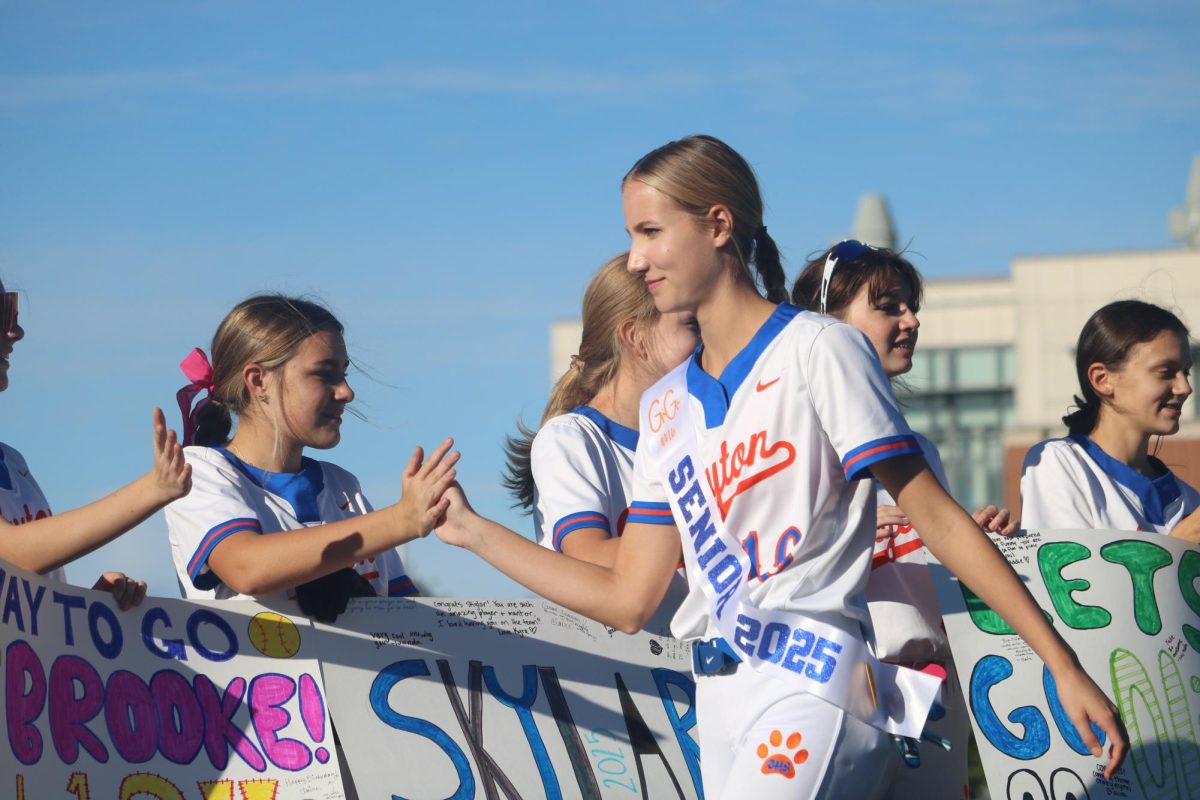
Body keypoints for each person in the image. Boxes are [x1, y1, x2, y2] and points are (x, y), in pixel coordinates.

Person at [436, 135, 1126, 799]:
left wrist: (1060, 663)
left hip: (817, 687)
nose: (636, 259)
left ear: (717, 224)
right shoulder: (666, 408)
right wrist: (472, 532)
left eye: (649, 232)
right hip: (721, 705)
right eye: (631, 237)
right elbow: (626, 598)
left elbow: (938, 521)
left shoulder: (819, 349)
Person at [792, 241, 1016, 798]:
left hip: (931, 692)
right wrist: (852, 543)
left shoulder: (917, 448)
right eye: (889, 305)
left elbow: (928, 564)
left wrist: (971, 548)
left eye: (911, 305)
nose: (911, 320)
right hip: (835, 685)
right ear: (826, 323)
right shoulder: (791, 440)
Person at [166, 294, 458, 620]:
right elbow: (246, 567)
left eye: (345, 373)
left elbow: (411, 620)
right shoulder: (200, 472)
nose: (346, 392)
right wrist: (400, 520)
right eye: (324, 374)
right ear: (258, 380)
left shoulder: (343, 486)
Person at [503, 253, 696, 626]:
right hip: (618, 675)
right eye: (692, 325)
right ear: (635, 336)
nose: (707, 339)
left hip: (690, 671)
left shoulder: (691, 432)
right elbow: (587, 556)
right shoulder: (569, 440)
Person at [0, 279, 189, 609]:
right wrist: (154, 488)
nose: (16, 331)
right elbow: (14, 554)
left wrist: (87, 606)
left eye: (12, 310)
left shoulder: (13, 461)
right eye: (3, 314)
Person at [1021, 299, 1200, 540]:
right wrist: (1181, 546)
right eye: (1166, 372)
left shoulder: (1189, 498)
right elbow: (1071, 574)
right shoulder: (1060, 463)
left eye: (1186, 372)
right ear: (1102, 379)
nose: (1185, 387)